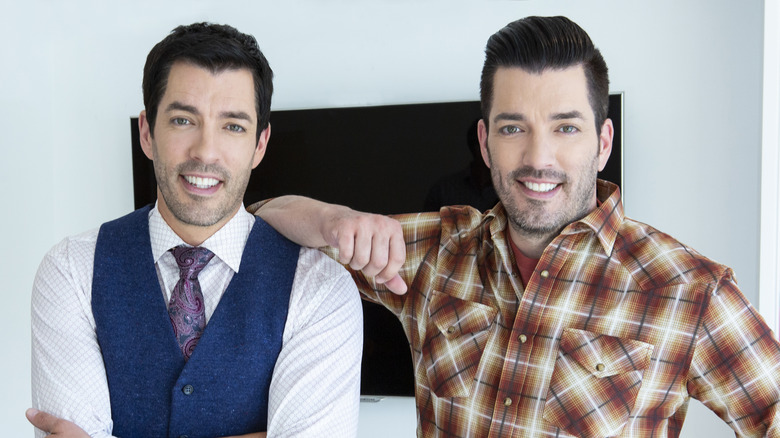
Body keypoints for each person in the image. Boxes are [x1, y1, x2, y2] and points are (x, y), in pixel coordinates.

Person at [251, 16, 780, 437]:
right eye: (513, 128)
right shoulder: (436, 252)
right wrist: (335, 220)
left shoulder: (690, 292)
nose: (538, 157)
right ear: (485, 143)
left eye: (565, 127)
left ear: (603, 143)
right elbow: (263, 218)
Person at [28, 22, 362, 438]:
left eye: (233, 126)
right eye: (184, 120)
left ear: (260, 145)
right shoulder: (71, 270)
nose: (205, 150)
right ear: (147, 133)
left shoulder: (320, 288)